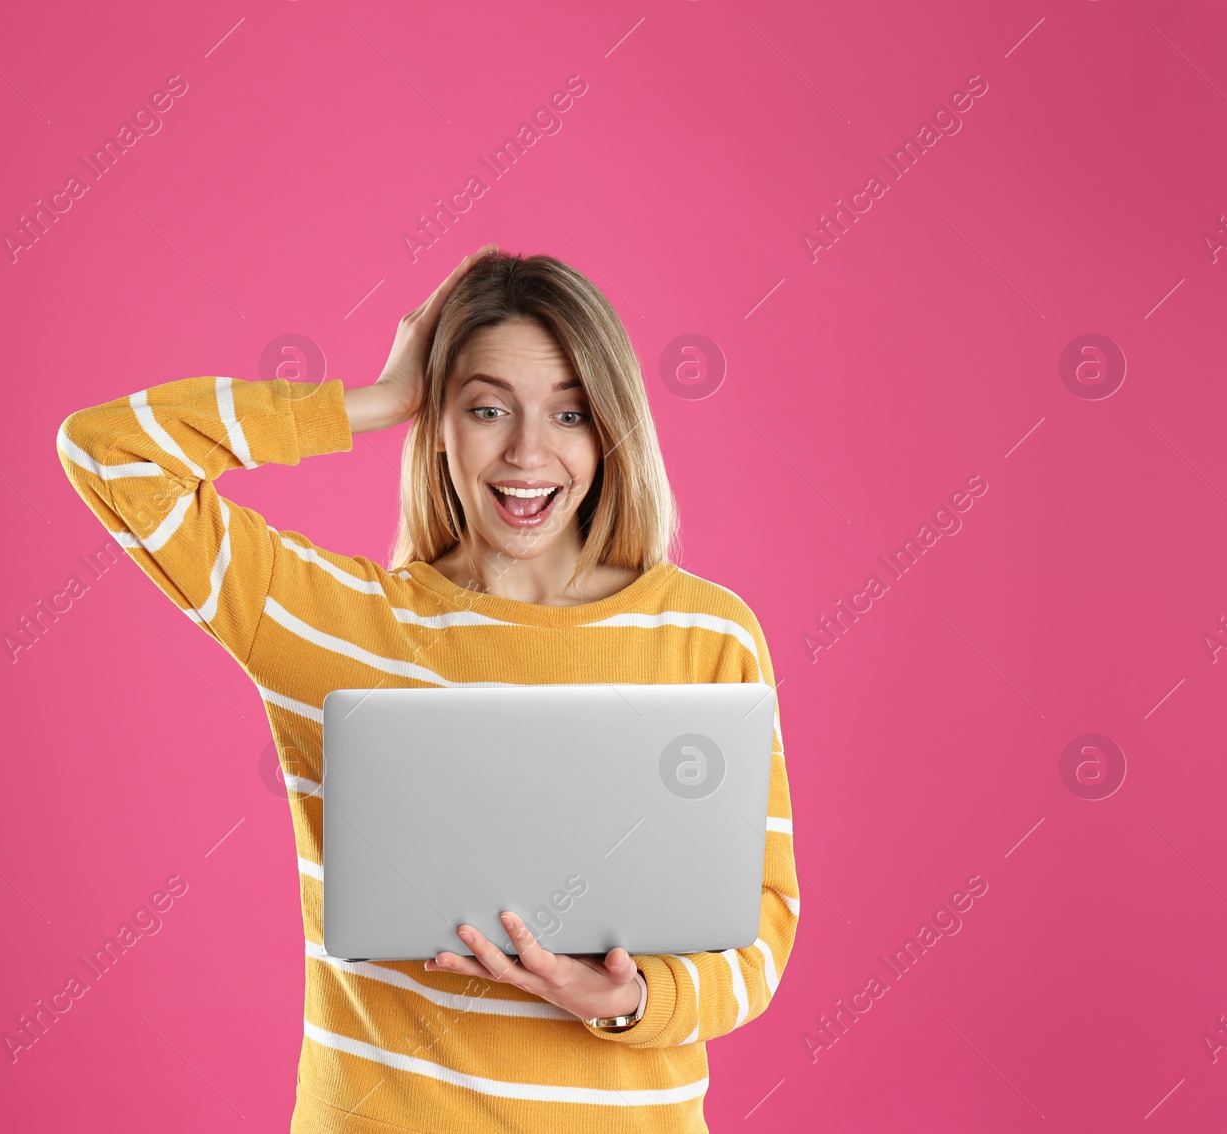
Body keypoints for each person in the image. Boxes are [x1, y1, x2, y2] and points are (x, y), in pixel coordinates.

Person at [55, 245, 800, 1133]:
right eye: (487, 408)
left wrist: (633, 997)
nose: (529, 453)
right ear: (437, 423)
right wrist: (370, 402)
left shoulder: (705, 636)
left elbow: (763, 925)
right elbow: (109, 455)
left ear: (612, 429)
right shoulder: (336, 623)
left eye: (569, 412)